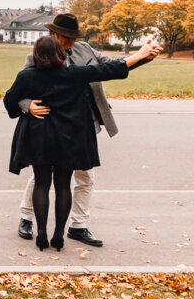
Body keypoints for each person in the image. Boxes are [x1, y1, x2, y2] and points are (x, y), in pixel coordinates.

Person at [14, 13, 160, 247]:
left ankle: (78, 226)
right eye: (67, 37)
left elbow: (113, 66)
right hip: (51, 125)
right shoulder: (36, 57)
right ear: (53, 34)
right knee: (41, 177)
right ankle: (26, 217)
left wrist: (145, 55)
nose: (72, 42)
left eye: (74, 37)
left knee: (86, 177)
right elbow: (20, 89)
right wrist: (27, 106)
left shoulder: (86, 50)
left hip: (86, 122)